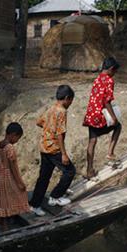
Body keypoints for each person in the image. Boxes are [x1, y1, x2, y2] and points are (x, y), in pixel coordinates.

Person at [30, 85, 76, 216]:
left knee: (43, 178)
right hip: (54, 148)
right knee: (70, 171)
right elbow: (60, 134)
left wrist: (49, 129)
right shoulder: (62, 111)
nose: (70, 104)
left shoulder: (51, 109)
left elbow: (39, 122)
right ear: (67, 98)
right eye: (71, 101)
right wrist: (64, 154)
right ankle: (55, 196)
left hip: (44, 147)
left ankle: (34, 204)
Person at [83, 57, 122, 179]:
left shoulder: (97, 78)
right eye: (115, 72)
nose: (114, 74)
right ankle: (110, 153)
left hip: (91, 115)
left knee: (92, 141)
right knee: (118, 126)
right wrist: (113, 117)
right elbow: (107, 101)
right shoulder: (109, 80)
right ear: (111, 69)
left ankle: (89, 170)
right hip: (100, 116)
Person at [0, 122, 29, 231]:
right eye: (17, 138)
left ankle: (4, 226)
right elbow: (13, 167)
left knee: (3, 201)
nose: (17, 141)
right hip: (7, 177)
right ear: (13, 135)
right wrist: (19, 182)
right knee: (9, 201)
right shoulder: (10, 148)